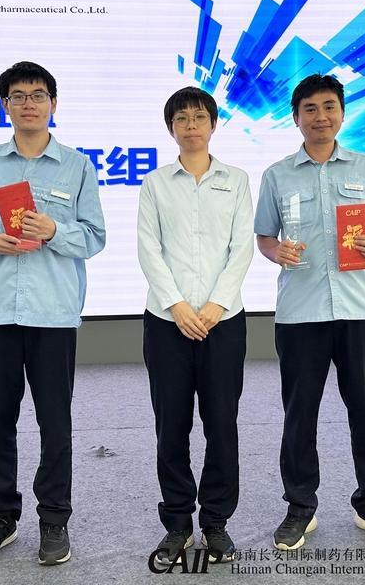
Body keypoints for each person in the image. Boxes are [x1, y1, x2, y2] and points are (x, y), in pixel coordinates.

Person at [0, 61, 105, 566]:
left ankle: (54, 518)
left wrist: (55, 231)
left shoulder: (77, 166)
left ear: (53, 104)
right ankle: (1, 516)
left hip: (54, 313)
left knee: (55, 422)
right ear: (5, 106)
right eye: (18, 96)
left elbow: (95, 237)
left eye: (38, 95)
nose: (29, 104)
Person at [253, 74, 365, 551]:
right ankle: (300, 507)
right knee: (299, 414)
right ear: (296, 117)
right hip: (300, 313)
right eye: (310, 108)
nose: (320, 117)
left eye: (329, 107)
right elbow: (264, 236)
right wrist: (276, 251)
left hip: (358, 310)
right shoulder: (277, 174)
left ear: (341, 113)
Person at [137, 86, 254, 565]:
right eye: (182, 118)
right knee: (172, 425)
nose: (191, 125)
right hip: (168, 322)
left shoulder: (236, 180)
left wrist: (215, 305)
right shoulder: (155, 183)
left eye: (199, 117)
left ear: (213, 124)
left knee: (222, 423)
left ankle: (217, 522)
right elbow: (149, 248)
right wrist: (179, 306)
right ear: (171, 128)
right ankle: (178, 523)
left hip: (223, 322)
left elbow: (241, 247)